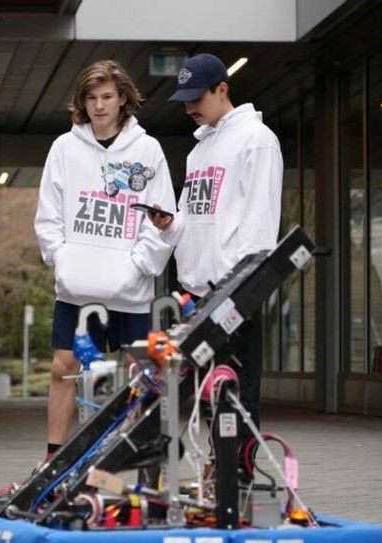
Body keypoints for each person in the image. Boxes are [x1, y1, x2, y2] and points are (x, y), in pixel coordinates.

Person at [34, 60, 176, 460]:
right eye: (91, 98)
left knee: (140, 372)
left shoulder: (147, 150)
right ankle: (54, 458)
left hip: (130, 290)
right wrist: (62, 262)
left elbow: (161, 217)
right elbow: (49, 217)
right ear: (82, 102)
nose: (99, 106)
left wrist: (137, 267)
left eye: (107, 97)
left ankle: (133, 456)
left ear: (123, 99)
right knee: (64, 368)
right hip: (77, 287)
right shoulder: (64, 148)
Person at [155, 53, 283, 429]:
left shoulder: (256, 140)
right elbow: (192, 220)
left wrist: (244, 286)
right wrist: (168, 224)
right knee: (210, 392)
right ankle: (216, 473)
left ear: (222, 89)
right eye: (184, 100)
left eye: (197, 97)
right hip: (198, 290)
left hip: (234, 288)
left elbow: (260, 220)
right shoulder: (199, 151)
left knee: (239, 391)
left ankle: (237, 478)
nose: (190, 107)